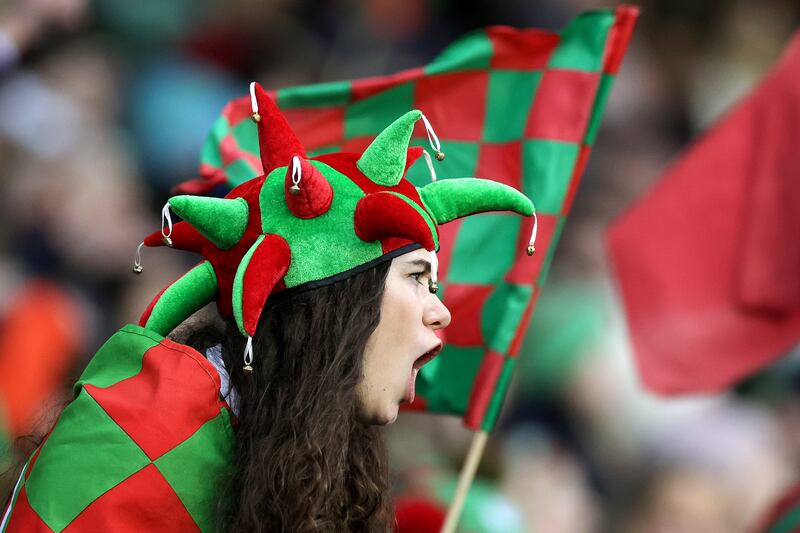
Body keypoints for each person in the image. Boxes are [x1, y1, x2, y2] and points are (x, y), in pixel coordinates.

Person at [0, 81, 535, 532]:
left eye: (434, 287)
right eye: (417, 278)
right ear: (336, 303)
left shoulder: (281, 437)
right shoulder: (146, 431)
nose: (439, 313)